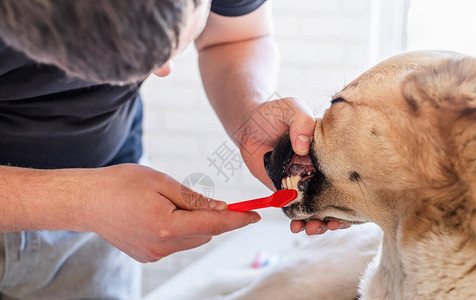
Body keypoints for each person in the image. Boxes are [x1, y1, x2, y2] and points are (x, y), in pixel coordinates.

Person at [0, 0, 345, 298]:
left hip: (107, 201)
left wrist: (248, 110)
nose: (162, 70)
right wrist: (82, 202)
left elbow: (235, 35)